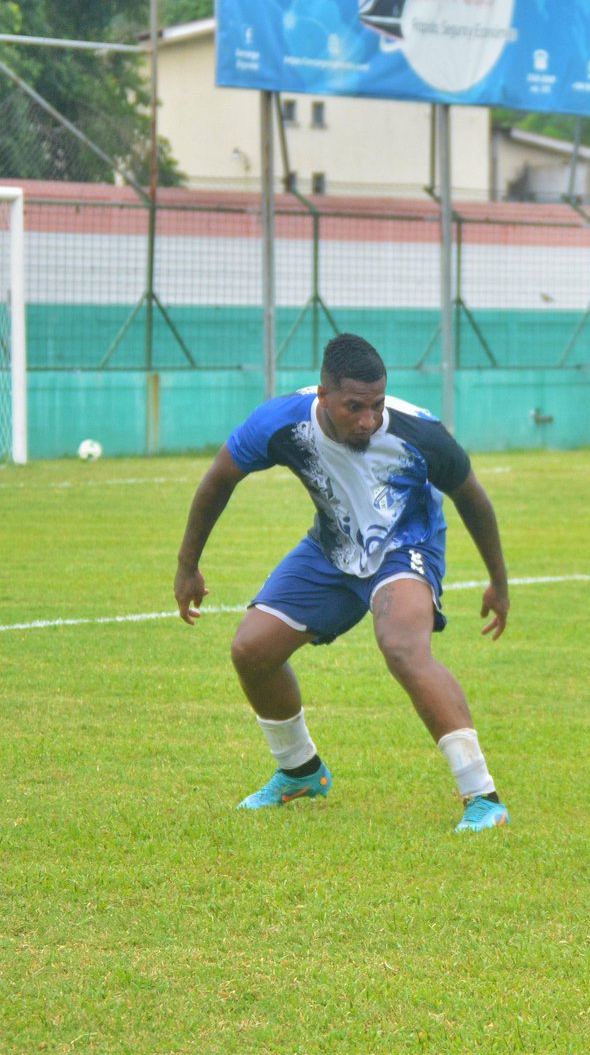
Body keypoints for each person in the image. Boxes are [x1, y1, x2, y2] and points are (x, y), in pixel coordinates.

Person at [173, 333, 511, 831]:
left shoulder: (418, 432)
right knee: (252, 650)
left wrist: (498, 583)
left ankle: (482, 796)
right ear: (322, 396)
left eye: (376, 405)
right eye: (354, 407)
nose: (368, 420)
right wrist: (188, 565)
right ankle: (300, 772)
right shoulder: (280, 423)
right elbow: (219, 478)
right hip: (332, 548)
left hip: (406, 545)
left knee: (401, 646)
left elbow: (472, 497)